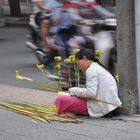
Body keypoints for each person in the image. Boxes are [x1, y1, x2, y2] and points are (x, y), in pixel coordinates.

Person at [55, 48, 122, 118]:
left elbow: (91, 93)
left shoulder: (91, 70)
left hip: (100, 108)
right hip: (108, 106)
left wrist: (73, 90)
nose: (79, 67)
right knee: (67, 96)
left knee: (61, 98)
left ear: (84, 58)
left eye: (79, 63)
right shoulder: (97, 67)